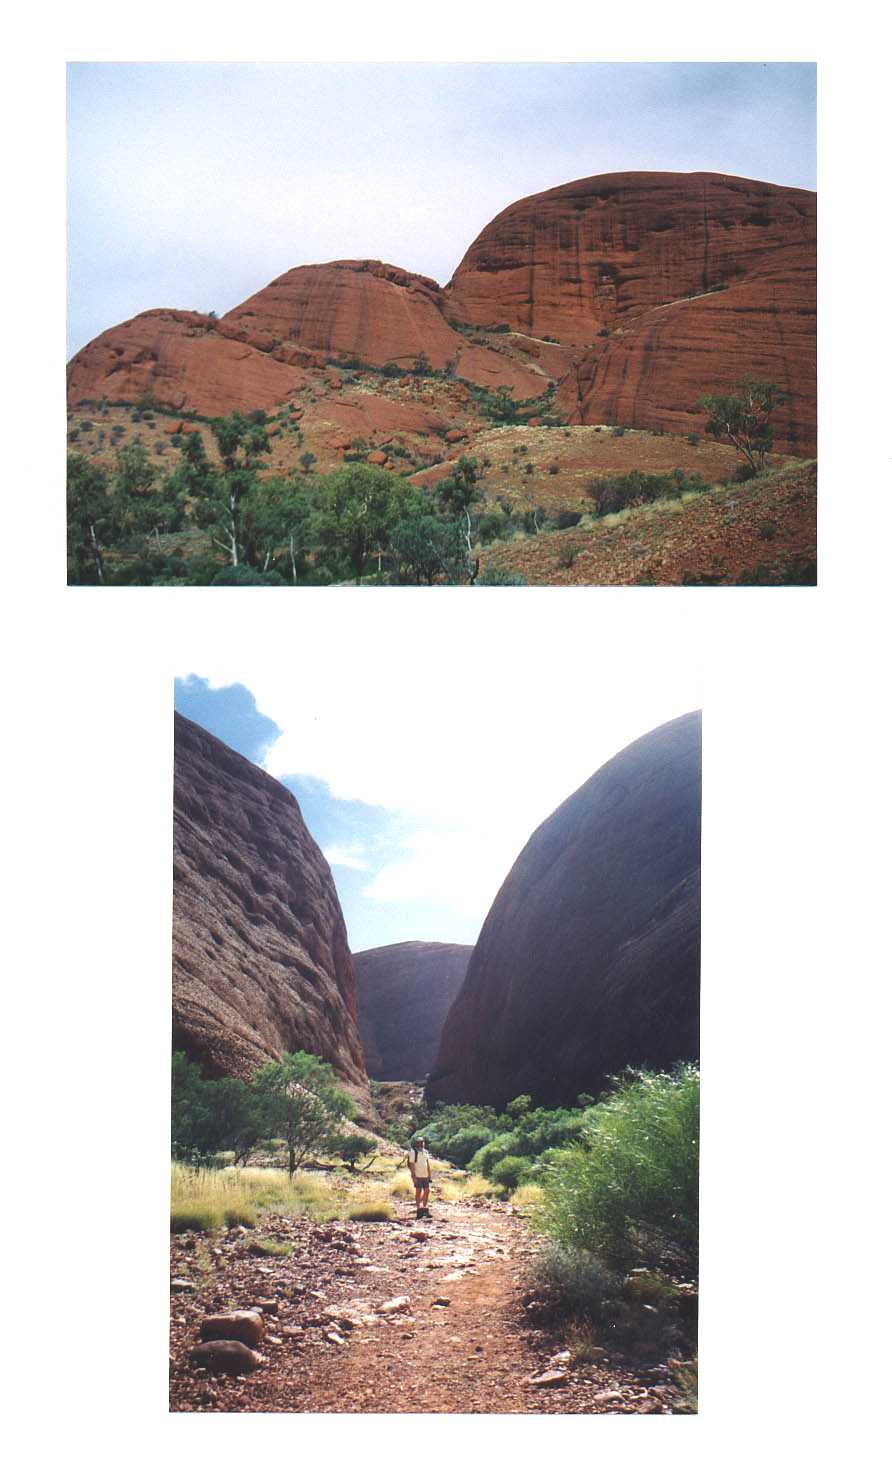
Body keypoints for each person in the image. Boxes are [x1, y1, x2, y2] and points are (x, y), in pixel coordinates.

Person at [406, 1134, 432, 1218]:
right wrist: (413, 1177)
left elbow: (427, 1164)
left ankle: (424, 1208)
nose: (421, 1144)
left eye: (422, 1142)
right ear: (416, 1143)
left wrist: (429, 1175)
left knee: (427, 1191)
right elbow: (412, 1165)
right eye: (419, 1143)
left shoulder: (425, 1152)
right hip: (418, 1175)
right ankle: (418, 1209)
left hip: (425, 1175)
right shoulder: (413, 1152)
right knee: (418, 1191)